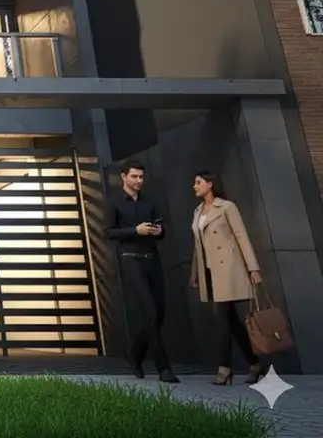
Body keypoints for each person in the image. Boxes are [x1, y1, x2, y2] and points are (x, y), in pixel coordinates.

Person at [105, 161, 179, 382]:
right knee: (150, 313)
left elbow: (162, 231)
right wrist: (135, 231)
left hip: (152, 259)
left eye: (141, 177)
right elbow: (108, 232)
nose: (139, 181)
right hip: (130, 260)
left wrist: (159, 230)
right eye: (134, 177)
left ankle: (135, 352)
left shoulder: (150, 202)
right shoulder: (114, 202)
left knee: (160, 313)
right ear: (124, 177)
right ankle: (163, 369)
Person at [189, 171, 265, 385]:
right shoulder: (197, 211)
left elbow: (242, 236)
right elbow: (198, 245)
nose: (194, 186)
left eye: (198, 182)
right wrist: (195, 272)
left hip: (228, 269)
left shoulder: (227, 207)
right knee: (231, 321)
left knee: (222, 318)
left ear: (210, 184)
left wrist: (253, 268)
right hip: (209, 272)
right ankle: (254, 362)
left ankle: (224, 367)